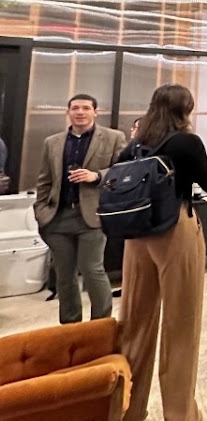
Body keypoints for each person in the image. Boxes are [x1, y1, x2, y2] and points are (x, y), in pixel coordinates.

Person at [117, 84, 207, 421]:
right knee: (181, 324)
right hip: (174, 231)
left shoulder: (134, 144)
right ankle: (179, 419)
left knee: (134, 323)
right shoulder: (186, 143)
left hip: (136, 236)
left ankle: (127, 412)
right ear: (185, 110)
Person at [34, 94, 127, 324]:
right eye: (75, 108)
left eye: (86, 108)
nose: (80, 112)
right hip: (57, 217)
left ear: (96, 111)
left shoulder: (113, 138)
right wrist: (41, 211)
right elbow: (44, 180)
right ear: (68, 112)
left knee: (92, 270)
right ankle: (70, 328)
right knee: (64, 277)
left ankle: (101, 325)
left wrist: (96, 176)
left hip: (93, 216)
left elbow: (123, 172)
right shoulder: (52, 142)